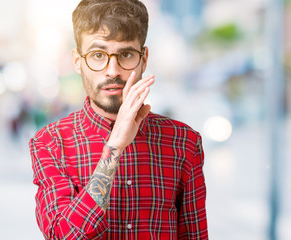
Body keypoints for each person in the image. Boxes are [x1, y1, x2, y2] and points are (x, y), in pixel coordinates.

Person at [29, 0, 208, 239]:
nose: (112, 70)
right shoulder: (51, 143)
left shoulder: (184, 141)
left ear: (144, 59)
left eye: (125, 54)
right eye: (97, 55)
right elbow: (63, 235)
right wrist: (114, 148)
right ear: (77, 61)